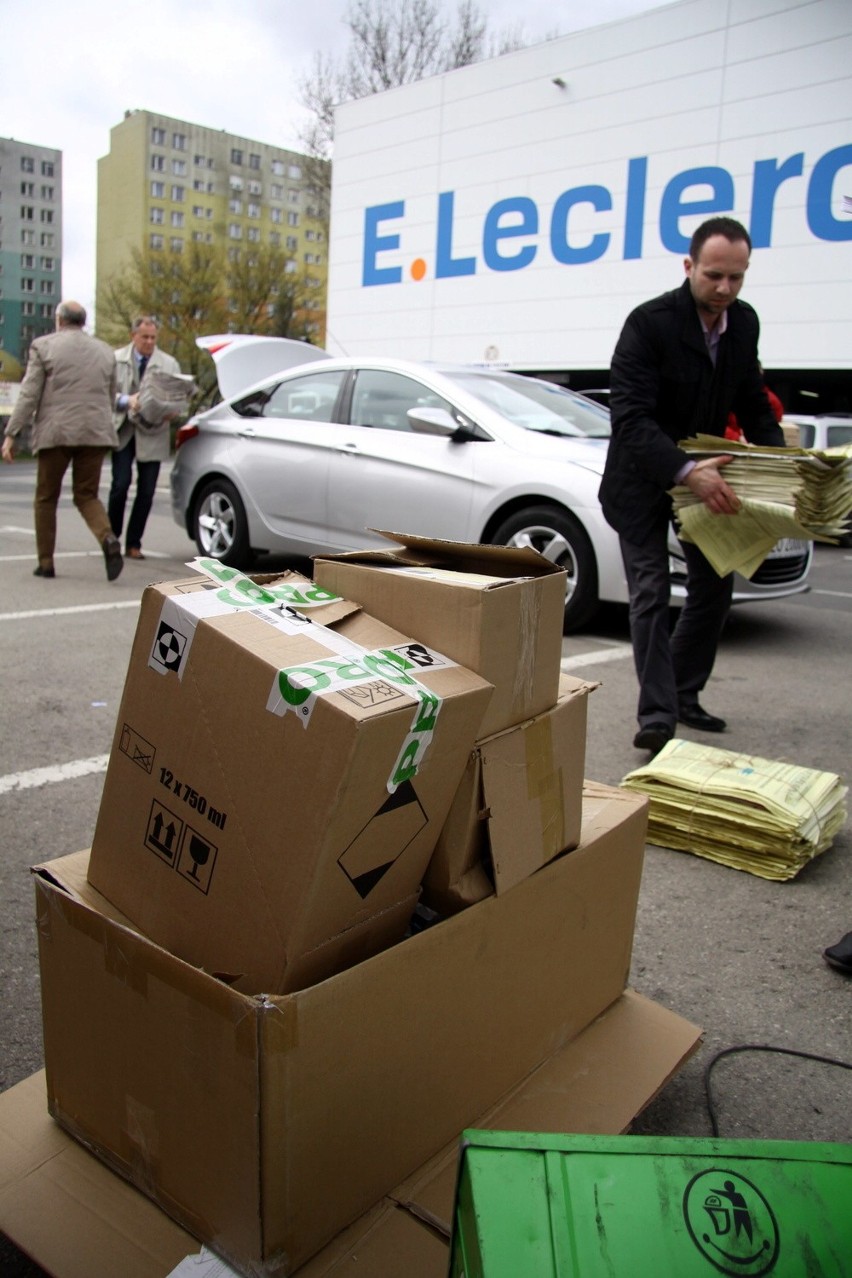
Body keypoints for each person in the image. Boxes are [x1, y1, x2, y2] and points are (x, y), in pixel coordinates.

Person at [599, 216, 786, 755]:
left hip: (705, 476)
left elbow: (752, 401)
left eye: (736, 278)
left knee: (715, 585)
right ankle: (658, 718)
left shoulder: (743, 324)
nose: (724, 289)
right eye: (713, 276)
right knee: (652, 592)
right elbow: (630, 419)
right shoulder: (649, 323)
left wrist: (782, 469)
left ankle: (682, 692)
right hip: (642, 478)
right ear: (689, 267)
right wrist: (687, 472)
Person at [1, 300, 123, 581]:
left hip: (56, 433)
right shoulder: (105, 351)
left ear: (59, 320)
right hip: (96, 432)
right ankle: (107, 538)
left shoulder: (43, 346)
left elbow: (30, 393)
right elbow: (110, 395)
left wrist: (11, 433)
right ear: (83, 321)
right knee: (87, 495)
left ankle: (46, 563)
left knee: (46, 497)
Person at [108, 315, 181, 560]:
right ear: (133, 336)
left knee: (147, 491)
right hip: (124, 429)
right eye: (145, 337)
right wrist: (126, 400)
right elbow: (104, 393)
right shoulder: (116, 359)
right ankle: (111, 538)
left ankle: (133, 543)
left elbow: (179, 399)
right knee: (120, 485)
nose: (149, 342)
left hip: (154, 432)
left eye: (153, 338)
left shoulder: (168, 363)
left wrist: (172, 411)